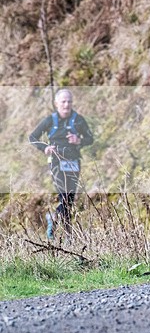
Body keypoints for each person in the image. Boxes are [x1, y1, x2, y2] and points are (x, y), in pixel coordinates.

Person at [29, 88, 94, 241]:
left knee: (69, 199)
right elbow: (32, 137)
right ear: (56, 103)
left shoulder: (78, 120)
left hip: (73, 161)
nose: (67, 105)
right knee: (64, 196)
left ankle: (57, 222)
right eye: (63, 101)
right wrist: (45, 147)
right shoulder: (50, 120)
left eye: (69, 101)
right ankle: (68, 235)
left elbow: (90, 139)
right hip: (57, 161)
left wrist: (79, 141)